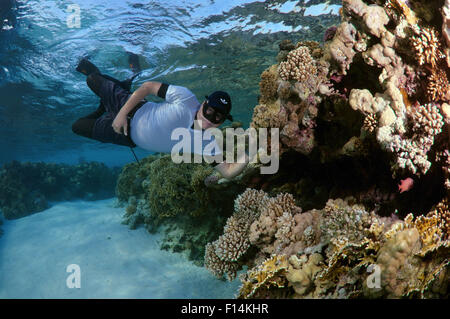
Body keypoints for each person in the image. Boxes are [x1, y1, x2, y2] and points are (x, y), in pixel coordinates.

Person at [72, 58, 250, 180]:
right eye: (209, 110)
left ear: (223, 121)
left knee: (77, 127)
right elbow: (148, 87)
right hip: (129, 107)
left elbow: (227, 172)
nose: (210, 119)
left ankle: (101, 107)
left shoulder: (206, 143)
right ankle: (119, 88)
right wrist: (120, 115)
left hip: (125, 136)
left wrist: (252, 153)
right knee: (91, 78)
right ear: (204, 103)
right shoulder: (186, 99)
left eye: (218, 117)